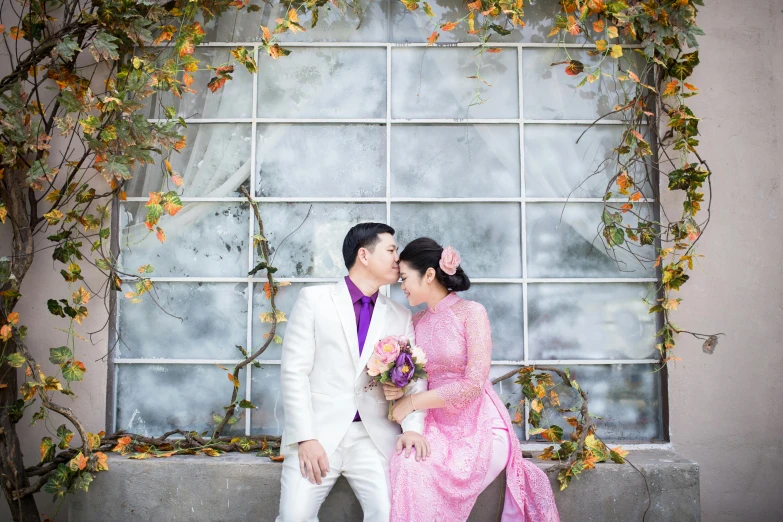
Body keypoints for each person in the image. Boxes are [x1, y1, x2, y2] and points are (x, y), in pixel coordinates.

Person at [386, 238, 560, 522]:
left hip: (480, 423)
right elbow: (412, 377)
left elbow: (473, 385)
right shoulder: (415, 322)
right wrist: (395, 388)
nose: (401, 286)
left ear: (429, 275)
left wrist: (412, 402)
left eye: (404, 278)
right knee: (409, 465)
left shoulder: (471, 313)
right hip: (435, 425)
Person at [276, 223, 429, 522]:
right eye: (391, 250)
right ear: (364, 255)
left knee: (388, 515)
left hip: (373, 438)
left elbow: (414, 380)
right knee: (294, 517)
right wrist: (306, 438)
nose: (398, 258)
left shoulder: (399, 315)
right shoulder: (313, 300)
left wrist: (413, 428)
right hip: (317, 434)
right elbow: (294, 373)